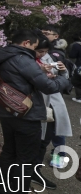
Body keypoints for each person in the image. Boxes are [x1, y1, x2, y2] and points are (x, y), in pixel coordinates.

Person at [0, 29, 70, 194]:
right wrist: (63, 76)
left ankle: (4, 189)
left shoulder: (2, 56)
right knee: (26, 158)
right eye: (35, 48)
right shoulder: (23, 58)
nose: (37, 53)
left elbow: (15, 79)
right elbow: (49, 87)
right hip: (26, 115)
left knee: (9, 152)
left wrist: (39, 72)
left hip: (7, 109)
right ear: (26, 43)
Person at [32, 35, 72, 189]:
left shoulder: (49, 57)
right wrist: (45, 75)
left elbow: (62, 82)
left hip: (52, 106)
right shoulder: (25, 60)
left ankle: (35, 171)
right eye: (40, 51)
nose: (42, 54)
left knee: (45, 140)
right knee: (34, 141)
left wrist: (62, 72)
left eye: (45, 51)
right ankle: (27, 171)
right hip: (35, 106)